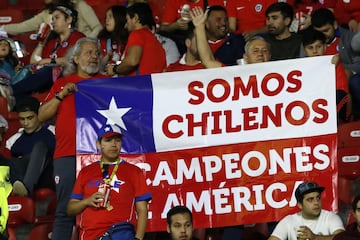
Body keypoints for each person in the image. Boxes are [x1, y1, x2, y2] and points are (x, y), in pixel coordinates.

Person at [38, 37, 105, 240]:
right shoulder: (62, 84)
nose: (94, 57)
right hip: (68, 155)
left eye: (97, 53)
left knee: (103, 208)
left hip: (100, 156)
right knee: (65, 210)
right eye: (88, 52)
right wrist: (60, 95)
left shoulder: (109, 82)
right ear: (75, 58)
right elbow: (42, 115)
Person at [67, 124, 151, 240]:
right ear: (98, 144)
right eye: (108, 140)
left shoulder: (134, 171)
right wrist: (87, 201)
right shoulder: (86, 172)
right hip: (90, 235)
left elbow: (142, 210)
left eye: (117, 140)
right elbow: (70, 209)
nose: (113, 144)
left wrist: (138, 238)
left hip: (121, 234)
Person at [11, 4, 85, 100]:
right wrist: (41, 42)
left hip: (66, 76)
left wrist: (50, 61)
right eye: (52, 19)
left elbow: (76, 59)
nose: (53, 22)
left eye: (57, 18)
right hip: (44, 80)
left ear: (69, 20)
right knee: (29, 73)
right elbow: (34, 62)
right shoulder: (52, 42)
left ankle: (11, 90)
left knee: (50, 70)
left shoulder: (79, 38)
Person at [5, 96, 55, 197]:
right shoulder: (13, 140)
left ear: (39, 115)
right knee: (11, 160)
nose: (26, 123)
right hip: (21, 174)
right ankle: (20, 186)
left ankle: (26, 189)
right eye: (22, 119)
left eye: (30, 118)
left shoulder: (53, 133)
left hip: (46, 177)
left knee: (40, 147)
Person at [190, 6, 271, 68]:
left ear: (270, 56)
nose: (260, 54)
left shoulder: (279, 72)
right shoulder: (234, 74)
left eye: (265, 51)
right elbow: (208, 61)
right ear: (246, 57)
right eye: (255, 51)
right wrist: (200, 26)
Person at [301, 27, 350, 122]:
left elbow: (342, 93)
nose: (315, 51)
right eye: (310, 48)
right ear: (304, 50)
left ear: (325, 47)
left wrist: (331, 68)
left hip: (331, 106)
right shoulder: (299, 68)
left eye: (318, 47)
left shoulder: (334, 63)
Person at [268, 181, 345, 240]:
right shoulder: (289, 221)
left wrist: (315, 237)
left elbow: (343, 238)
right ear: (300, 205)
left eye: (318, 198)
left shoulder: (331, 217)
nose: (316, 202)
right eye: (310, 199)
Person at [106, 2, 166, 76]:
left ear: (135, 18)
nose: (125, 26)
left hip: (139, 85)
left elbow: (132, 61)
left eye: (127, 20)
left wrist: (114, 69)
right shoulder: (157, 43)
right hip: (152, 85)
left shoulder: (137, 34)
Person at [0, 0, 102, 38]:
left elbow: (98, 27)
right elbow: (22, 27)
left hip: (84, 50)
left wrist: (86, 41)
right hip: (61, 51)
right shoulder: (46, 13)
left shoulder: (79, 4)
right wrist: (2, 28)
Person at [159, 0, 225, 54]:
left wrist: (199, 23)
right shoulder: (173, 1)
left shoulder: (214, 1)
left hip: (210, 41)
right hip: (181, 44)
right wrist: (175, 26)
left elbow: (222, 26)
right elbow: (162, 29)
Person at [311, 7, 360, 74]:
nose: (322, 35)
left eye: (326, 30)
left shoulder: (349, 38)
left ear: (335, 25)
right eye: (319, 32)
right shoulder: (309, 42)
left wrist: (339, 68)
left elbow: (358, 65)